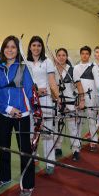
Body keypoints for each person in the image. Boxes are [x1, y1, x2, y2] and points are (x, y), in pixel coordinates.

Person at [0, 35, 35, 196]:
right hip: (3, 114)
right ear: (3, 49)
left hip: (22, 115)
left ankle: (28, 184)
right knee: (3, 148)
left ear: (17, 50)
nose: (10, 50)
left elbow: (29, 92)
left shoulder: (23, 67)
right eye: (7, 47)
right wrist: (8, 108)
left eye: (13, 47)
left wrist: (30, 112)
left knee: (25, 151)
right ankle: (4, 176)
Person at [27, 36, 59, 175]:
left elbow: (52, 82)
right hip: (29, 101)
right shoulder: (24, 63)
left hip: (45, 101)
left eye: (39, 45)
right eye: (33, 45)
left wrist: (57, 98)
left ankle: (49, 161)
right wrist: (34, 91)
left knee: (47, 131)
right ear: (30, 47)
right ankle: (33, 158)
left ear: (42, 47)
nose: (36, 48)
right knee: (30, 131)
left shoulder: (47, 62)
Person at [53, 48, 85, 161]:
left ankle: (76, 149)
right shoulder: (52, 70)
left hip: (70, 102)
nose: (61, 57)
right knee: (57, 125)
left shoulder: (72, 70)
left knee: (72, 127)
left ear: (67, 57)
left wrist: (82, 100)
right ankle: (57, 147)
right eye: (59, 55)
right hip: (57, 102)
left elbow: (79, 85)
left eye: (63, 55)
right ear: (56, 57)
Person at [73, 46, 99, 152]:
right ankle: (77, 142)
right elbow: (76, 83)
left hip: (91, 97)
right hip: (80, 97)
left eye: (86, 53)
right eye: (83, 53)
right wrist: (80, 98)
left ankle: (94, 141)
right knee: (78, 120)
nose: (84, 55)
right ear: (80, 55)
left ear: (89, 55)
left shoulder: (94, 67)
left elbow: (98, 84)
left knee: (92, 119)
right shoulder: (76, 67)